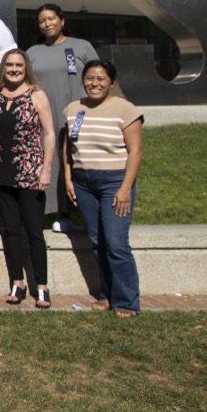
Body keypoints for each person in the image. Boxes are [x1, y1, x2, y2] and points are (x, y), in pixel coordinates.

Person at [63, 59, 144, 318]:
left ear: (111, 82)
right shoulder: (74, 109)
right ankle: (107, 295)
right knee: (97, 242)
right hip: (83, 181)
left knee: (116, 244)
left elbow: (136, 152)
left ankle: (127, 302)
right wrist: (68, 178)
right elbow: (68, 150)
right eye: (89, 78)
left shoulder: (125, 109)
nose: (94, 83)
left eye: (101, 79)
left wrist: (124, 188)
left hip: (114, 181)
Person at [26, 3, 100, 230]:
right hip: (45, 116)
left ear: (62, 21)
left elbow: (99, 76)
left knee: (80, 159)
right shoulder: (32, 52)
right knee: (53, 161)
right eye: (42, 21)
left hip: (78, 115)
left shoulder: (81, 47)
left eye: (51, 18)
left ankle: (93, 209)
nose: (47, 24)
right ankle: (61, 212)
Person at [0, 49, 56, 309]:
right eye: (9, 65)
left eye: (19, 65)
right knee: (10, 230)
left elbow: (49, 134)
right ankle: (17, 282)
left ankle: (41, 286)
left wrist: (46, 169)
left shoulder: (36, 95)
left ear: (26, 67)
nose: (14, 69)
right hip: (3, 171)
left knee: (34, 231)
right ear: (3, 68)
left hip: (30, 172)